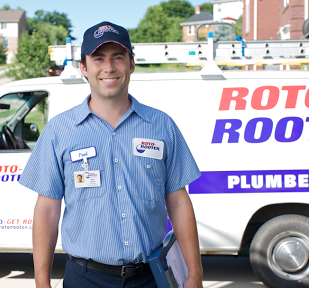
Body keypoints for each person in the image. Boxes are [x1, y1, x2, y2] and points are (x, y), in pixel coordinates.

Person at [19, 21, 203, 288]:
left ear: (131, 63)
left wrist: (194, 274)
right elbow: (47, 210)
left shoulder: (162, 125)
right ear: (83, 67)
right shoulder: (59, 131)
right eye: (98, 58)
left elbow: (178, 202)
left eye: (118, 57)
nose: (109, 67)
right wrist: (41, 283)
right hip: (84, 279)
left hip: (151, 279)